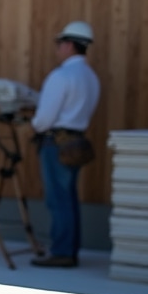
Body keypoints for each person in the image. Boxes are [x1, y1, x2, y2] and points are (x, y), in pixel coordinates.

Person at [30, 21, 100, 268]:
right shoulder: (91, 77)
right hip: (76, 143)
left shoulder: (61, 76)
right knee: (68, 198)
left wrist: (33, 124)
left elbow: (44, 119)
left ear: (69, 44)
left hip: (56, 145)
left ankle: (61, 252)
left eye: (59, 44)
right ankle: (69, 250)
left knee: (58, 200)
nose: (57, 49)